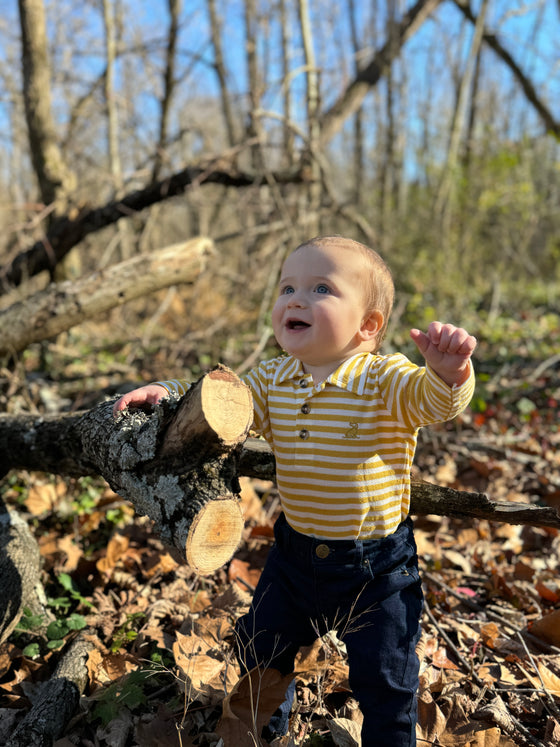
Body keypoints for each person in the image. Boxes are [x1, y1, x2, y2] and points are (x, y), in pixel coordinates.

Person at [113, 236, 476, 746]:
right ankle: (260, 731)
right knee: (261, 650)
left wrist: (449, 370)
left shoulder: (384, 379)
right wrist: (172, 398)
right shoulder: (274, 377)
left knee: (386, 676)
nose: (295, 300)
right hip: (294, 558)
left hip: (376, 568)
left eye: (322, 288)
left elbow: (435, 402)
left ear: (368, 325)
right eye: (287, 287)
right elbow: (225, 404)